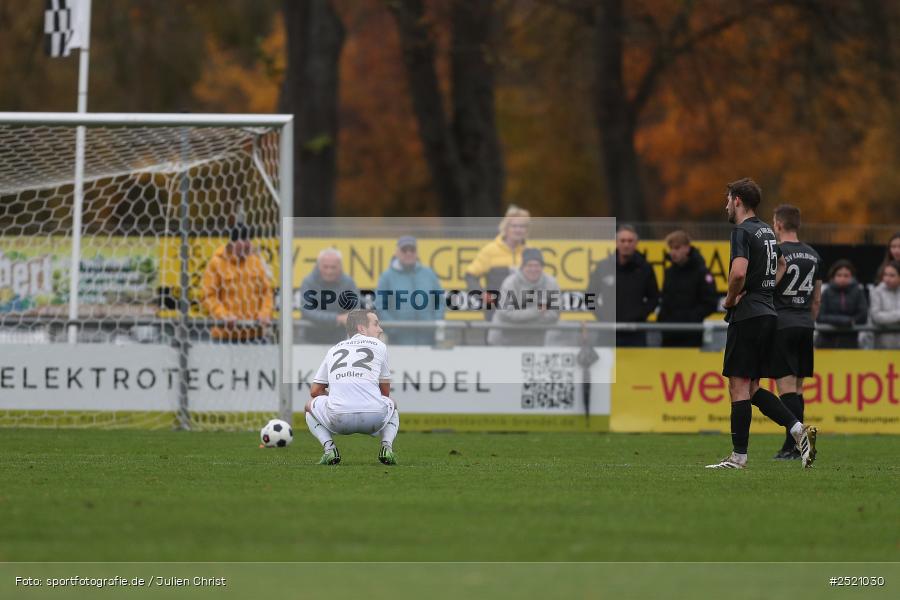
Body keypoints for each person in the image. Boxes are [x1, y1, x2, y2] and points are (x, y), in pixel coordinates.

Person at [706, 178, 815, 470]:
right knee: (752, 387)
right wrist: (765, 291)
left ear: (737, 200)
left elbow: (738, 273)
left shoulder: (741, 231)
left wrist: (730, 299)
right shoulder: (766, 229)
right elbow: (783, 265)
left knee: (738, 386)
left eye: (728, 200)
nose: (726, 206)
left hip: (748, 315)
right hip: (768, 313)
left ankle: (738, 457)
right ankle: (798, 430)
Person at [305, 309, 399, 466]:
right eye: (376, 324)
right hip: (373, 418)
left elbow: (315, 391)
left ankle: (329, 450)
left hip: (338, 418)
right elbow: (385, 392)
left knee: (309, 407)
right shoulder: (380, 346)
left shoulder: (334, 349)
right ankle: (386, 447)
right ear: (362, 328)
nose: (380, 329)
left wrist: (338, 396)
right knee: (392, 404)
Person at [769, 204, 823, 460]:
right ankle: (793, 445)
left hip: (782, 323)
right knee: (798, 388)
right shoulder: (813, 254)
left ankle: (795, 445)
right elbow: (817, 299)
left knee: (786, 388)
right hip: (805, 324)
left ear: (778, 224)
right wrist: (808, 321)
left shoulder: (777, 252)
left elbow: (768, 288)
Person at [586, 224, 659, 347]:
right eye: (623, 240)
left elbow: (654, 298)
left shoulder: (645, 268)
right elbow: (589, 296)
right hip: (608, 332)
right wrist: (602, 315)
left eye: (630, 241)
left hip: (635, 334)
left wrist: (640, 316)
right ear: (616, 242)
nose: (626, 244)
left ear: (636, 243)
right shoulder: (603, 267)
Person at [201, 224, 273, 343]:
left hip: (255, 335)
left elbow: (266, 292)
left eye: (249, 241)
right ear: (233, 242)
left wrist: (265, 313)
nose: (249, 245)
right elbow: (208, 296)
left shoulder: (256, 261)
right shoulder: (216, 263)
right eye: (245, 241)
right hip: (224, 336)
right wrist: (223, 315)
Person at [375, 236, 445, 345]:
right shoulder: (387, 277)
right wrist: (394, 329)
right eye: (404, 250)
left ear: (417, 253)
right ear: (397, 253)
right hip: (398, 342)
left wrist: (433, 324)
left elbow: (439, 302)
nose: (408, 253)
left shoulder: (429, 274)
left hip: (428, 340)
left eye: (412, 250)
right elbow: (380, 307)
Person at [464, 205, 530, 320]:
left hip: (524, 314)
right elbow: (470, 275)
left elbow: (539, 282)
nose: (518, 230)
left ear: (526, 230)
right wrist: (482, 296)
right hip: (495, 314)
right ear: (506, 228)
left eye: (522, 226)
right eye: (514, 226)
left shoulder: (530, 251)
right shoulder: (490, 250)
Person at [487, 248, 561, 346]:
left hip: (536, 338)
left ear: (542, 267)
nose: (533, 269)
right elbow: (506, 314)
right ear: (522, 267)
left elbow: (554, 314)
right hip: (504, 338)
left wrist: (521, 318)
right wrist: (537, 311)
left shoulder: (551, 283)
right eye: (529, 265)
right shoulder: (510, 283)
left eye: (537, 265)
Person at [657, 230, 719, 347]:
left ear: (687, 248)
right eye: (671, 248)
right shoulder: (669, 272)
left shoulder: (701, 272)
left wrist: (690, 318)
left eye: (677, 248)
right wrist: (662, 319)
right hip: (669, 334)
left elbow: (710, 303)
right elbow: (665, 300)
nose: (673, 252)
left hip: (691, 334)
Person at [299, 249, 360, 344]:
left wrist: (347, 317)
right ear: (319, 266)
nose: (329, 271)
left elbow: (355, 310)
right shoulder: (308, 282)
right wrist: (337, 318)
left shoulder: (348, 283)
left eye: (333, 267)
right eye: (325, 267)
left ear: (340, 267)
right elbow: (307, 311)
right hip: (310, 340)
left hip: (340, 341)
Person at [816, 260, 868, 349]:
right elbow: (819, 317)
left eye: (846, 275)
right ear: (833, 276)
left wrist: (850, 321)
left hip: (850, 342)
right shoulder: (826, 292)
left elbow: (863, 316)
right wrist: (845, 321)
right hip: (826, 343)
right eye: (839, 275)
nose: (842, 278)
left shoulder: (858, 292)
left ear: (852, 277)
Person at [869, 261, 900, 349]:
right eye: (885, 275)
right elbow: (876, 316)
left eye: (892, 275)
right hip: (883, 344)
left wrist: (888, 316)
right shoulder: (876, 291)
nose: (887, 279)